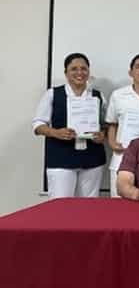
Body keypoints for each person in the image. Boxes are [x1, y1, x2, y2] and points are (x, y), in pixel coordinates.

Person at [32, 53, 106, 198]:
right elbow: (37, 125)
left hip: (92, 160)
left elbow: (104, 124)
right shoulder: (53, 94)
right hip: (61, 158)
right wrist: (56, 132)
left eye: (84, 69)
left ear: (88, 72)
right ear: (66, 72)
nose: (79, 73)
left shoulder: (98, 96)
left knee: (88, 208)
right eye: (74, 69)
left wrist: (101, 134)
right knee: (60, 208)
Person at [105, 53, 139, 197]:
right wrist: (112, 143)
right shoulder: (118, 95)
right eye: (138, 67)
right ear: (131, 72)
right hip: (121, 156)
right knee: (119, 206)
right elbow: (112, 124)